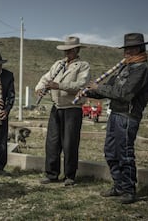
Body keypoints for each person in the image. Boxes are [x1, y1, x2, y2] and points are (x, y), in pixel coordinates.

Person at [83, 33, 148, 204]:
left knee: (125, 154)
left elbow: (125, 94)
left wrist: (98, 87)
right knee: (110, 152)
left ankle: (129, 190)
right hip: (115, 115)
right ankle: (119, 186)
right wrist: (88, 91)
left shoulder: (142, 69)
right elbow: (108, 88)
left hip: (128, 117)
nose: (127, 52)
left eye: (131, 48)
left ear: (139, 49)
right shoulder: (124, 68)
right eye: (126, 49)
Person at [35, 36, 90, 186]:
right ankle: (52, 174)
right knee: (52, 142)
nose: (67, 54)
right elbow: (45, 78)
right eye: (65, 51)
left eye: (70, 51)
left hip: (72, 108)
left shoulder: (83, 66)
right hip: (57, 107)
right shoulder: (58, 64)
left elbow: (81, 85)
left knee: (70, 143)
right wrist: (40, 88)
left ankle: (69, 176)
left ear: (77, 50)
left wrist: (59, 85)